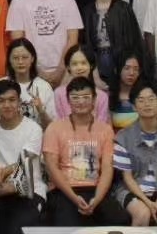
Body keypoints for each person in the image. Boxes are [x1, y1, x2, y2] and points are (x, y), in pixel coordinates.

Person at [42, 76, 123, 224]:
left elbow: (107, 168)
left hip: (95, 189)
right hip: (63, 190)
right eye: (75, 97)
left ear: (94, 100)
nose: (81, 102)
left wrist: (97, 199)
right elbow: (52, 168)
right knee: (67, 223)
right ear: (68, 100)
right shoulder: (54, 128)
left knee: (119, 219)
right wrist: (74, 198)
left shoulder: (105, 130)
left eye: (86, 97)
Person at [111, 79, 157, 227]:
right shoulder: (123, 137)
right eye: (141, 100)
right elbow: (127, 178)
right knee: (142, 214)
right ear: (134, 106)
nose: (147, 104)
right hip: (132, 190)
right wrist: (147, 202)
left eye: (151, 99)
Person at [0, 78, 47, 234]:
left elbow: (23, 162)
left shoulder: (33, 129)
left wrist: (2, 171)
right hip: (0, 190)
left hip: (30, 191)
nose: (7, 105)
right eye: (1, 101)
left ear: (19, 102)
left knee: (17, 226)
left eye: (12, 100)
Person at [81, 0, 143, 87]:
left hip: (121, 64)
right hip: (96, 64)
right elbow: (85, 45)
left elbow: (134, 42)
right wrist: (94, 74)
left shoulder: (123, 8)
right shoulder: (87, 11)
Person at [2, 38, 57, 129]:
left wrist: (41, 110)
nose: (20, 62)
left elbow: (52, 126)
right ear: (9, 60)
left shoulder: (44, 87)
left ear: (32, 59)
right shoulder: (2, 84)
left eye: (25, 57)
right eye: (15, 58)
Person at [51, 45, 110, 122]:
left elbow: (102, 124)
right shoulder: (58, 93)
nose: (79, 68)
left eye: (83, 63)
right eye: (74, 64)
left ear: (91, 65)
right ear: (68, 67)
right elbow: (58, 121)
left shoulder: (102, 96)